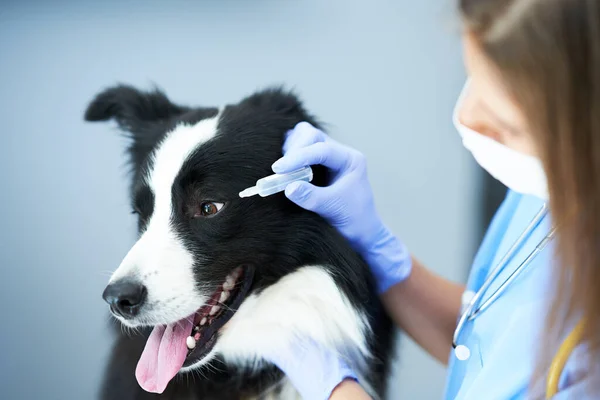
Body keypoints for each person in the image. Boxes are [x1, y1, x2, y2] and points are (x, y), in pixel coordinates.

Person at [259, 0, 600, 399]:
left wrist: (334, 387)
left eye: (505, 124)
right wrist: (376, 247)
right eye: (471, 79)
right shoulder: (543, 186)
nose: (469, 118)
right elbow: (490, 343)